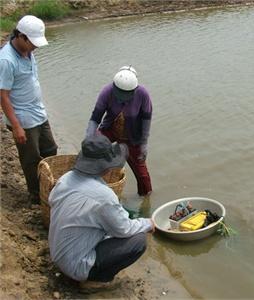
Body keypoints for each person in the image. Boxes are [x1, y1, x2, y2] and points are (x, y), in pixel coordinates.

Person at [48, 134, 154, 286]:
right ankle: (95, 281)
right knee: (138, 241)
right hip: (76, 266)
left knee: (109, 225)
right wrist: (148, 223)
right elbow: (124, 230)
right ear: (105, 167)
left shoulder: (65, 178)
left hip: (58, 254)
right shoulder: (103, 196)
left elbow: (52, 201)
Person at [0, 15, 58, 204]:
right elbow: (3, 96)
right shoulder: (6, 60)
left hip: (38, 113)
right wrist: (16, 126)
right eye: (33, 42)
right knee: (31, 159)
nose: (36, 46)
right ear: (21, 36)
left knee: (50, 149)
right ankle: (36, 195)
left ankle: (48, 186)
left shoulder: (28, 51)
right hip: (23, 119)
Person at [86, 66, 152, 196]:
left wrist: (144, 143)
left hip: (133, 136)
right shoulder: (107, 91)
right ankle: (90, 185)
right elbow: (95, 117)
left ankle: (146, 198)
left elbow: (146, 120)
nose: (122, 99)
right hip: (110, 129)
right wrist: (89, 138)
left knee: (142, 174)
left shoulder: (143, 94)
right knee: (91, 152)